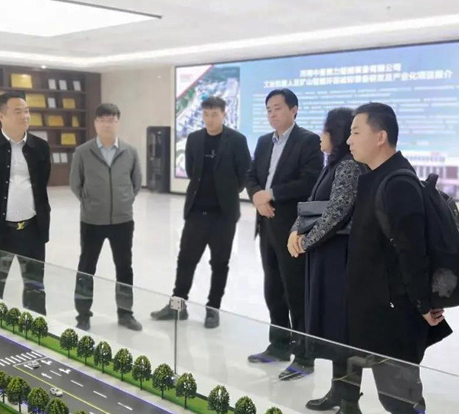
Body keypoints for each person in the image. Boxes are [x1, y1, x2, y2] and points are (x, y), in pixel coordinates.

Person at [341, 102, 452, 413]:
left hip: (396, 314)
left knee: (400, 398)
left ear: (381, 137)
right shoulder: (376, 176)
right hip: (378, 308)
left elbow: (413, 253)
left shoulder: (398, 183)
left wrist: (422, 304)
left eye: (356, 132)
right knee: (393, 396)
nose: (349, 140)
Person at [284, 108, 365, 410]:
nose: (321, 136)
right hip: (324, 256)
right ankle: (337, 392)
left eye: (326, 130)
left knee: (343, 331)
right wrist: (295, 231)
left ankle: (349, 401)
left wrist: (305, 241)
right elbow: (312, 205)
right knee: (332, 331)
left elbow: (337, 212)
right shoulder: (333, 164)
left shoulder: (349, 167)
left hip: (339, 260)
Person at [151, 96, 251, 328]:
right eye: (206, 114)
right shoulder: (194, 139)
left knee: (219, 263)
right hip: (196, 212)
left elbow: (245, 173)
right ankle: (177, 306)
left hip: (223, 215)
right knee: (185, 260)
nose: (210, 119)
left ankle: (212, 309)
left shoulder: (237, 140)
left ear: (224, 114)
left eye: (215, 114)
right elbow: (190, 170)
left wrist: (227, 192)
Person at [245, 88, 322, 380]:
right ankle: (278, 345)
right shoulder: (264, 141)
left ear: (294, 110)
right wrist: (257, 197)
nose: (272, 114)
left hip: (293, 229)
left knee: (296, 292)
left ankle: (305, 355)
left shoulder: (308, 141)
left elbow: (309, 181)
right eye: (268, 109)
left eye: (277, 108)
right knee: (273, 289)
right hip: (267, 224)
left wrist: (272, 194)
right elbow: (252, 175)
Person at [0, 91, 50, 315]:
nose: (25, 116)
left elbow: (42, 183)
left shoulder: (40, 147)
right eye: (18, 112)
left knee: (35, 288)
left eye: (27, 111)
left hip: (32, 230)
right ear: (1, 116)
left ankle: (36, 328)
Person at [69, 103, 143, 332]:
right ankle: (83, 315)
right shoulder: (83, 152)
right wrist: (91, 202)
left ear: (118, 123)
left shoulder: (130, 152)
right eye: (102, 120)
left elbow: (136, 183)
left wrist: (124, 202)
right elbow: (75, 184)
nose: (106, 124)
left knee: (124, 267)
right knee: (86, 267)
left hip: (122, 221)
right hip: (92, 221)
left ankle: (125, 313)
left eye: (111, 120)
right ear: (95, 123)